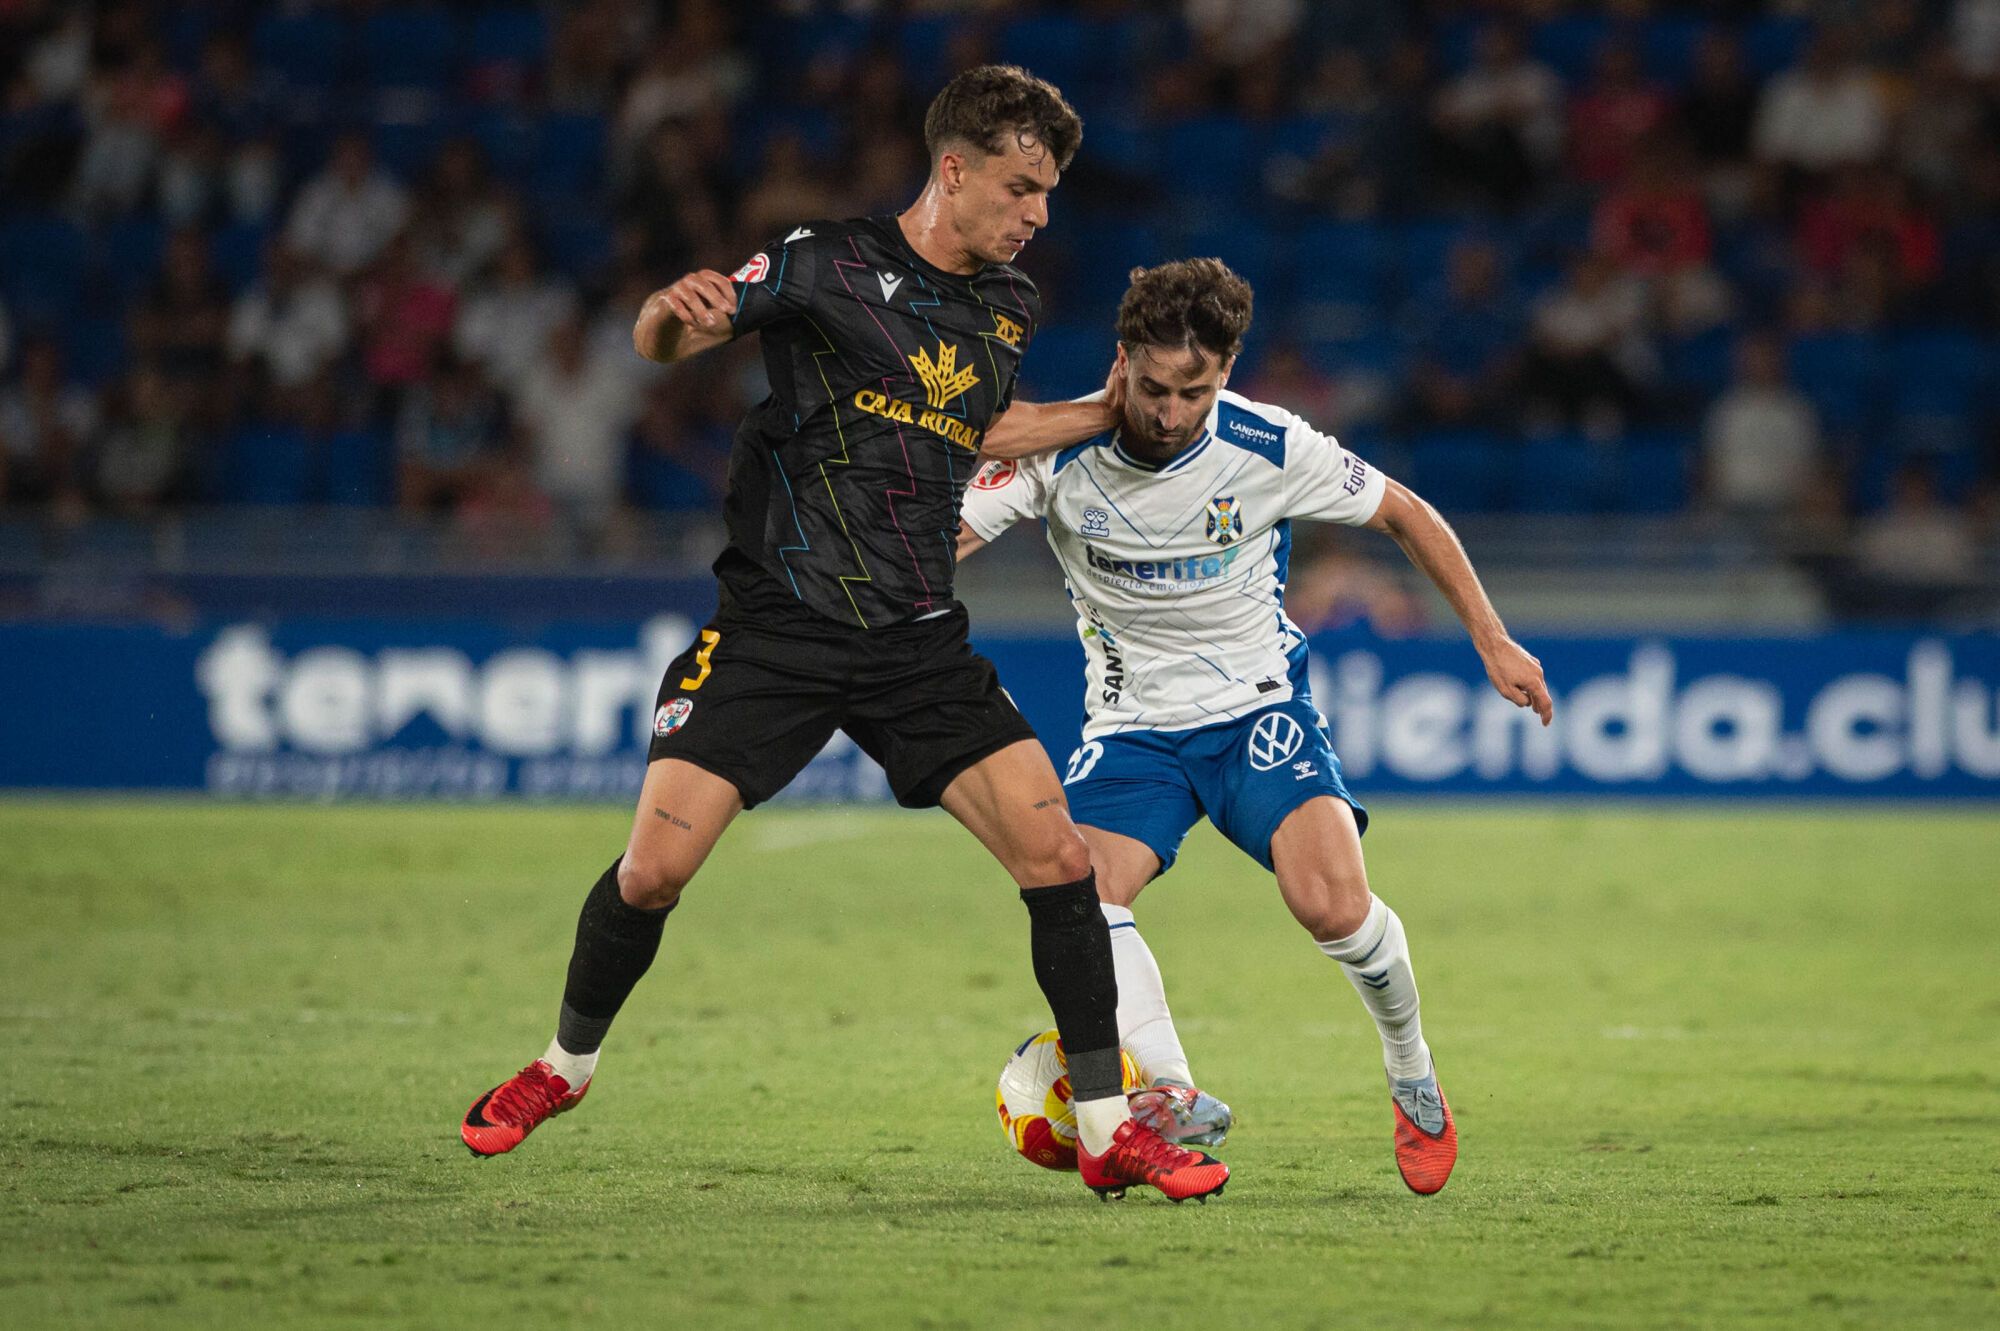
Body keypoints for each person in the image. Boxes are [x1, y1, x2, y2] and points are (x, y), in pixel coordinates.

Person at [459, 66, 1229, 1204]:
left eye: (1049, 192)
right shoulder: (827, 262)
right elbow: (671, 339)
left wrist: (1094, 411)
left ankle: (1111, 1128)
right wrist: (671, 319)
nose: (1038, 214)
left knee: (1059, 860)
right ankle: (561, 1066)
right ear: (954, 169)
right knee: (655, 869)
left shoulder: (1004, 306)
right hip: (780, 622)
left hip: (914, 635)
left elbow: (970, 423)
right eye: (1022, 187)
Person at [955, 259, 1554, 1195]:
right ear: (1122, 364)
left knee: (1331, 905)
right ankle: (1167, 1092)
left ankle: (1411, 1069)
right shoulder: (1057, 450)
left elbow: (1406, 511)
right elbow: (942, 530)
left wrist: (1494, 639)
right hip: (1131, 730)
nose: (1169, 410)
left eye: (1192, 390)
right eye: (1151, 388)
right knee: (1082, 890)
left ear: (1225, 374)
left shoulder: (1269, 445)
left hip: (1257, 712)